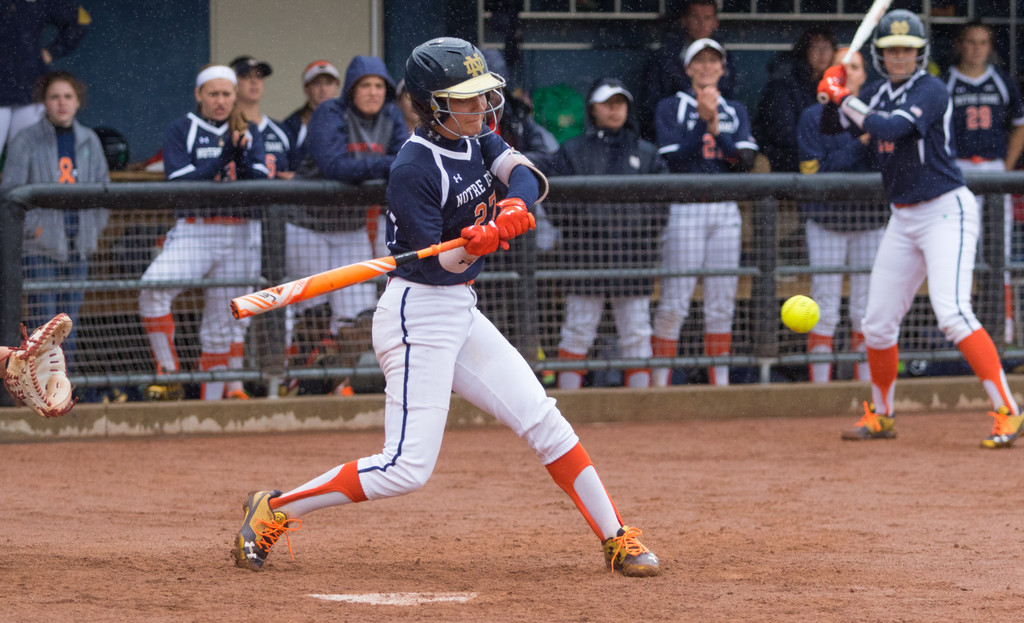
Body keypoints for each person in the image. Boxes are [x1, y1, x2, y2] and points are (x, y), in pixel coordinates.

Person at [232, 37, 659, 577]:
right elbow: (431, 266)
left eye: (483, 96)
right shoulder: (413, 168)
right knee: (405, 468)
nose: (482, 107)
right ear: (433, 104)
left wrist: (512, 207)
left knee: (544, 419)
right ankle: (274, 508)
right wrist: (474, 245)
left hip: (459, 308)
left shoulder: (476, 137)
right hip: (417, 314)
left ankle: (615, 538)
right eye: (467, 98)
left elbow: (525, 174)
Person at [817, 9, 1022, 448]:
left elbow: (892, 126)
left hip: (947, 210)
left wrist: (845, 99)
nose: (900, 57)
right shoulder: (873, 90)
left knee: (952, 312)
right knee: (877, 324)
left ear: (919, 53)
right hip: (904, 215)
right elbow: (831, 127)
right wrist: (832, 92)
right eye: (892, 50)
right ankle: (883, 414)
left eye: (907, 50)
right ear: (880, 54)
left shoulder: (930, 89)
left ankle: (1009, 409)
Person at [138, 64, 269, 402]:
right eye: (213, 93)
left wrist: (238, 160)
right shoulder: (182, 128)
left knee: (223, 323)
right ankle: (168, 372)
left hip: (240, 231)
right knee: (153, 288)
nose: (221, 100)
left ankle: (211, 405)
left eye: (227, 93)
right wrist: (224, 157)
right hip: (195, 230)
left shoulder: (249, 129)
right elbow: (181, 184)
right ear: (199, 95)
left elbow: (260, 184)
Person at [283, 55, 408, 393]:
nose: (372, 92)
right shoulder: (330, 113)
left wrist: (372, 166)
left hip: (350, 226)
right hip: (307, 224)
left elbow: (406, 161)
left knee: (360, 317)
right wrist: (384, 165)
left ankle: (323, 385)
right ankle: (292, 381)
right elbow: (334, 165)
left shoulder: (392, 116)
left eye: (379, 85)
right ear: (351, 90)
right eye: (365, 85)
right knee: (313, 313)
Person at [543, 78, 668, 389]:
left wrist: (638, 231)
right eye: (607, 103)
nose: (615, 109)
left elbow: (661, 208)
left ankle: (640, 405)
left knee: (637, 331)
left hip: (633, 254)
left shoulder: (647, 153)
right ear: (592, 109)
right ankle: (568, 405)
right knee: (578, 329)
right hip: (584, 255)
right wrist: (587, 226)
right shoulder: (572, 150)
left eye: (621, 103)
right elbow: (557, 207)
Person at [650, 39, 758, 387]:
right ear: (688, 68)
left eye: (714, 60)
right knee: (674, 303)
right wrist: (702, 123)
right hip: (686, 208)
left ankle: (721, 385)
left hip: (725, 209)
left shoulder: (735, 109)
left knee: (721, 303)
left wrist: (716, 128)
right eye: (700, 61)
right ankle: (659, 384)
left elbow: (745, 163)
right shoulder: (671, 106)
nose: (707, 66)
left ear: (723, 68)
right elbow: (671, 160)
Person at [1, 71, 109, 370]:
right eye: (54, 97)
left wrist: (93, 231)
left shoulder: (89, 140)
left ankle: (62, 386)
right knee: (43, 325)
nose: (61, 103)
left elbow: (104, 193)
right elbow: (11, 192)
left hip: (78, 246)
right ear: (43, 103)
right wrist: (32, 231)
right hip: (40, 247)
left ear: (78, 102)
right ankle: (40, 388)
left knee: (68, 325)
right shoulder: (26, 140)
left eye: (68, 97)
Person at [797, 49, 887, 383]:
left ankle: (867, 390)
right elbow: (815, 174)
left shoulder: (880, 115)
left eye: (855, 67)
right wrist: (862, 141)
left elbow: (891, 164)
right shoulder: (813, 116)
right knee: (824, 305)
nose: (848, 72)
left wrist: (873, 133)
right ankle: (820, 389)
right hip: (827, 219)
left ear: (864, 75)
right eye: (841, 66)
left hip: (871, 219)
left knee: (867, 309)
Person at [944, 21, 1024, 344]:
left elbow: (1020, 124)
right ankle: (963, 329)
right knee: (960, 251)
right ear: (960, 44)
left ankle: (1001, 329)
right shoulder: (945, 81)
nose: (976, 48)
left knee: (997, 251)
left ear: (991, 47)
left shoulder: (1002, 81)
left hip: (993, 170)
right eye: (971, 42)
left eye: (983, 42)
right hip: (958, 170)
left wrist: (1005, 165)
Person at [0, 2, 90, 160]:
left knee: (28, 158)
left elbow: (80, 20)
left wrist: (52, 51)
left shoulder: (37, 3)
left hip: (30, 91)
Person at [638, 0, 735, 142]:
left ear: (716, 22)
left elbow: (729, 101)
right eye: (695, 17)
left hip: (716, 135)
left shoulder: (727, 59)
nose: (701, 23)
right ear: (685, 20)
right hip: (674, 132)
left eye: (707, 18)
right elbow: (653, 106)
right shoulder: (664, 58)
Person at [754, 25, 836, 172]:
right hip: (785, 163)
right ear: (805, 52)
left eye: (827, 47)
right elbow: (784, 136)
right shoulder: (784, 84)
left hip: (824, 160)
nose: (822, 53)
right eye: (816, 47)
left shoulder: (834, 86)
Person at [281, 60, 342, 171]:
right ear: (306, 88)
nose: (323, 89)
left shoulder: (349, 120)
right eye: (317, 83)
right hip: (303, 187)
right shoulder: (293, 125)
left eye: (329, 83)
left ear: (337, 86)